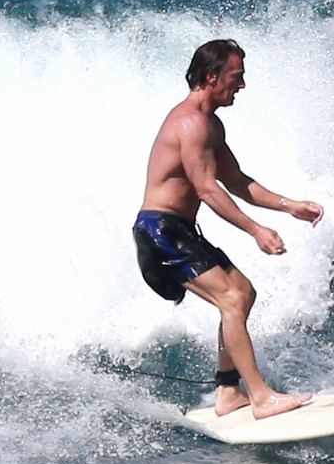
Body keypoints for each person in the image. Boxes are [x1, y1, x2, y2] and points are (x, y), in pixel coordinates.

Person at [132, 39, 323, 419]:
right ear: (211, 76)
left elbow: (236, 181)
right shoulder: (190, 124)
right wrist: (255, 230)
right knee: (231, 300)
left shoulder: (210, 124)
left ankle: (227, 390)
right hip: (160, 232)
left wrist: (290, 206)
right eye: (236, 77)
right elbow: (206, 188)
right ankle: (261, 396)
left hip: (179, 230)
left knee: (244, 293)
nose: (242, 85)